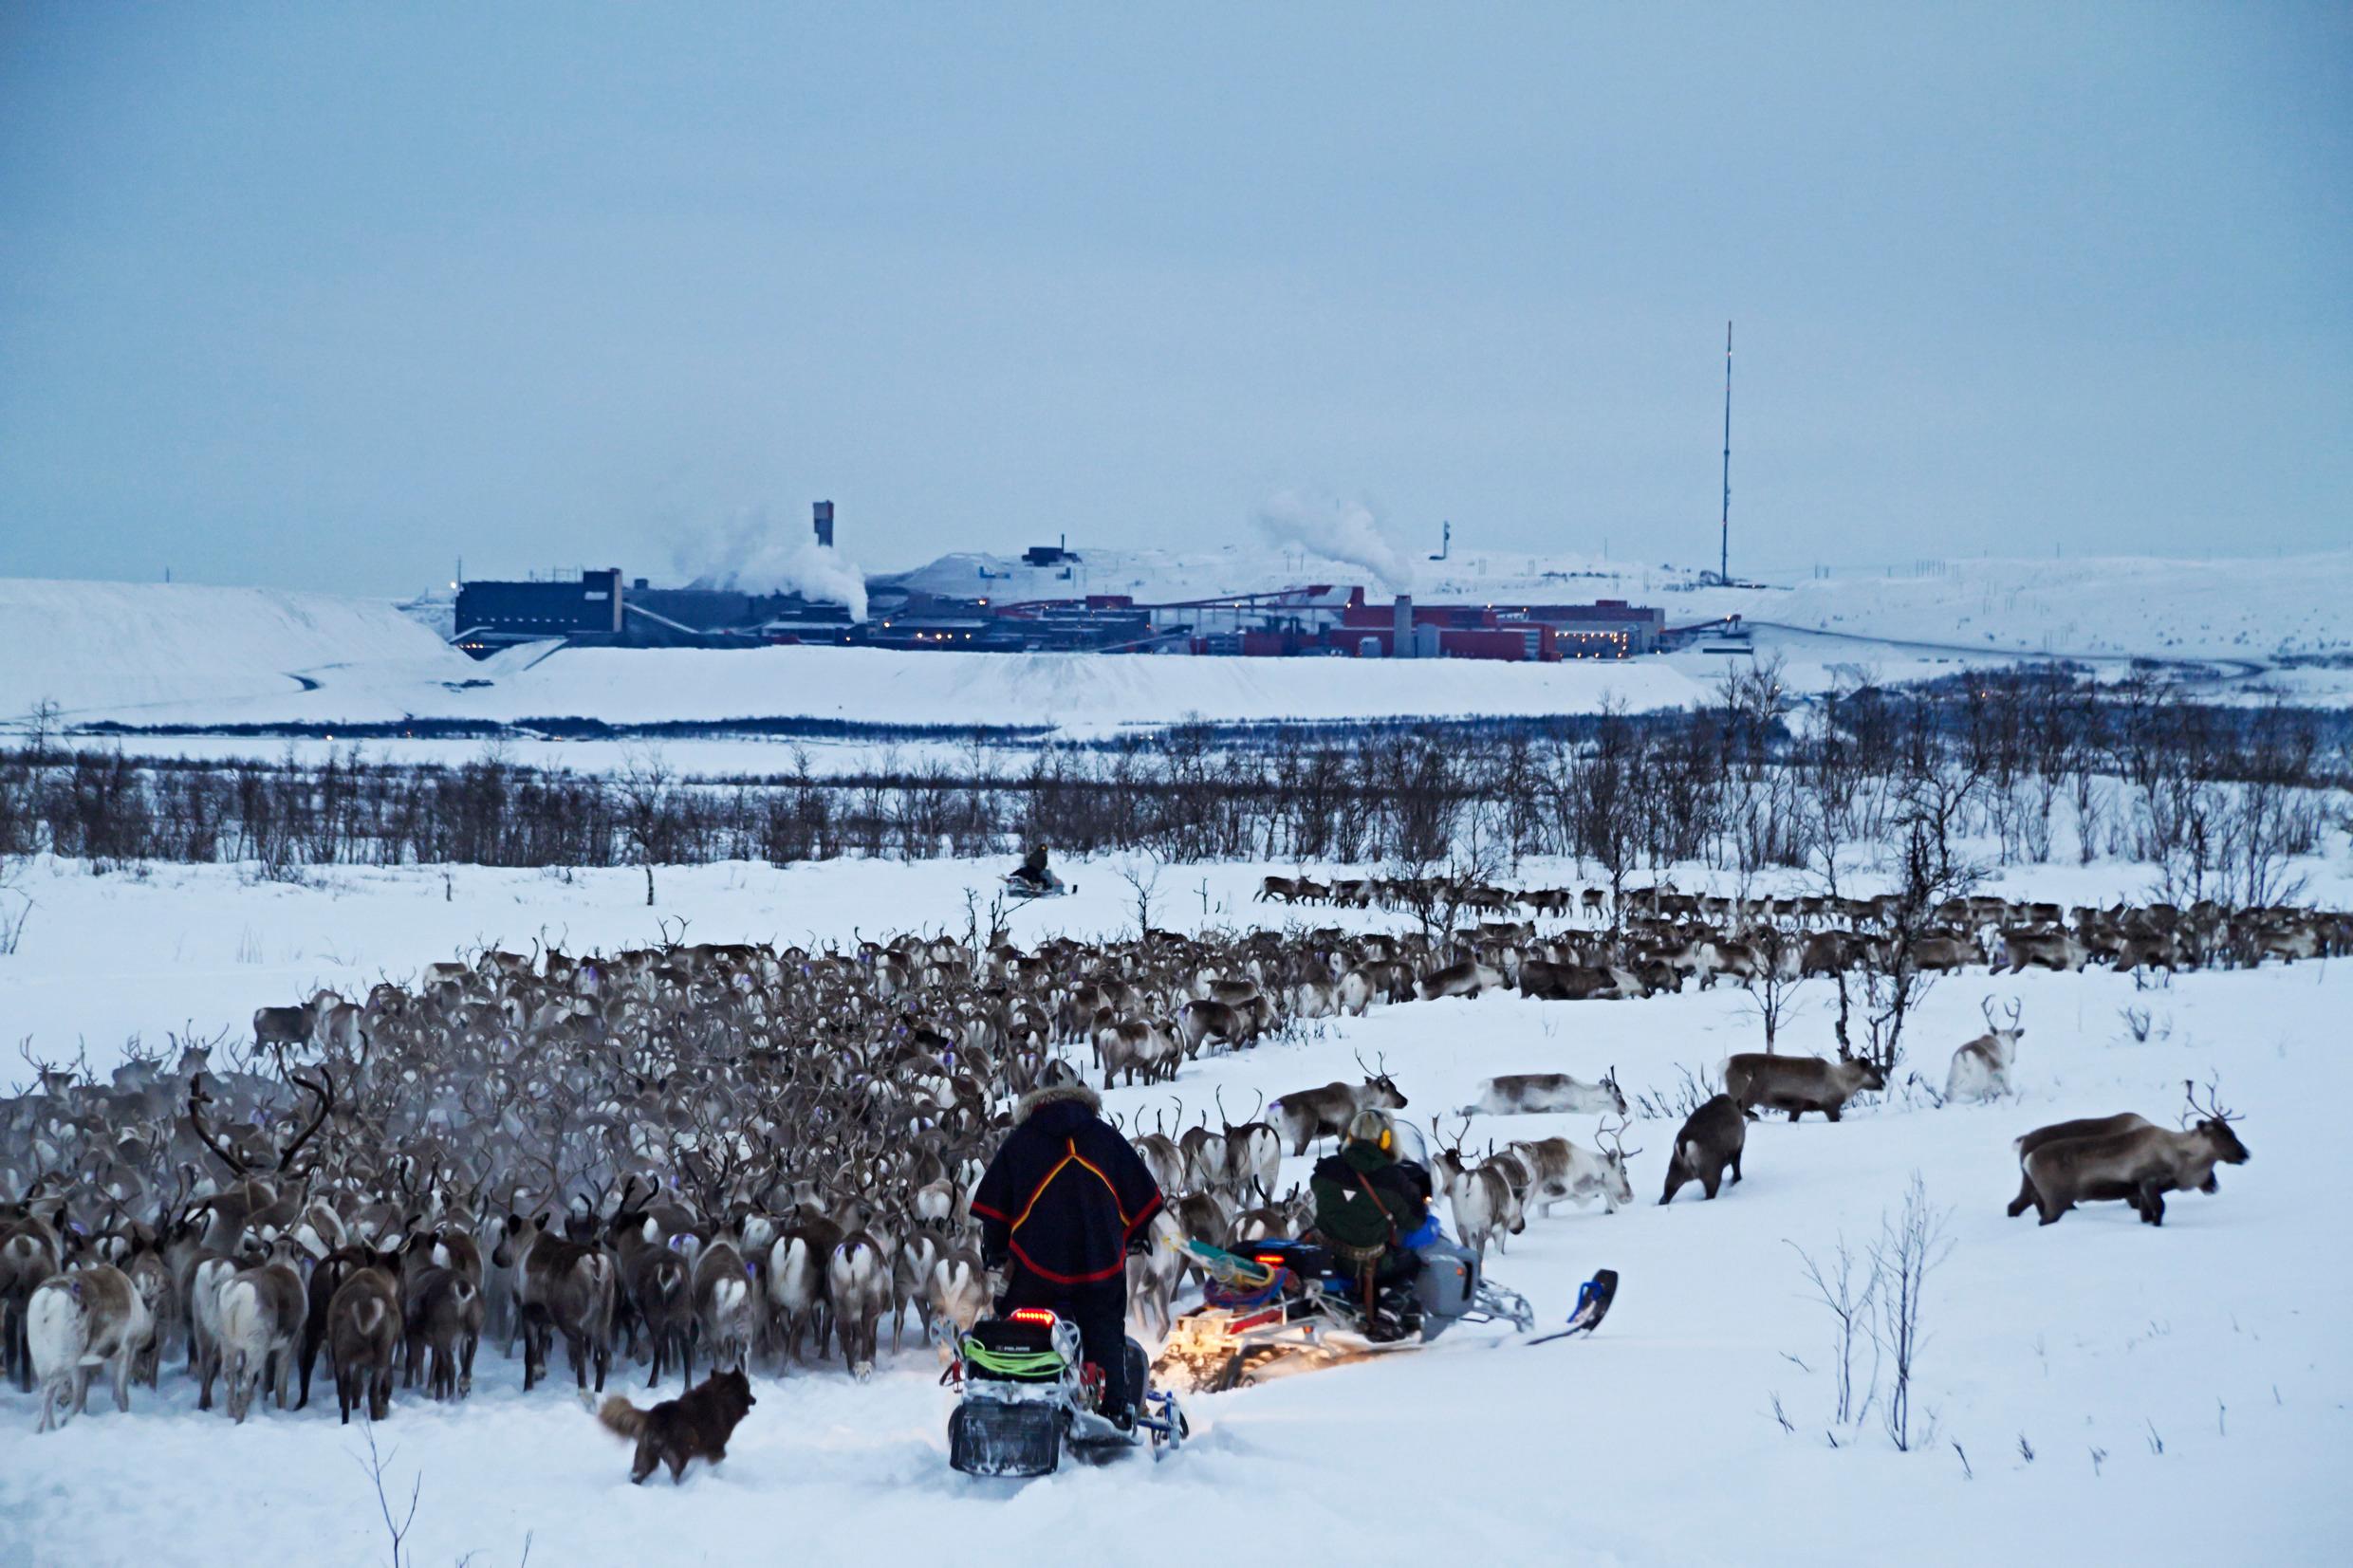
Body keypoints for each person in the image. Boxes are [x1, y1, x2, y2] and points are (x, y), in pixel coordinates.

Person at [972, 1067, 1163, 1426]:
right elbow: (1141, 1196)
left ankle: (1017, 1393)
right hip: (1099, 1265)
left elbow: (993, 1210)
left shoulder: (1020, 1141)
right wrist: (1136, 1237)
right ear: (1081, 1093)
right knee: (1104, 1324)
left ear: (1036, 1098)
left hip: (1035, 1269)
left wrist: (996, 1251)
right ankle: (1114, 1405)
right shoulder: (1105, 1138)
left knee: (1018, 1318)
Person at [1309, 1108, 1433, 1341]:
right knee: (1411, 1262)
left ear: (1350, 1137)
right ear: (1386, 1139)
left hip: (1326, 1255)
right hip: (1365, 1262)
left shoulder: (1326, 1169)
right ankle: (1389, 1314)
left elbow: (1322, 1189)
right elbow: (1414, 1221)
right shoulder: (1393, 1179)